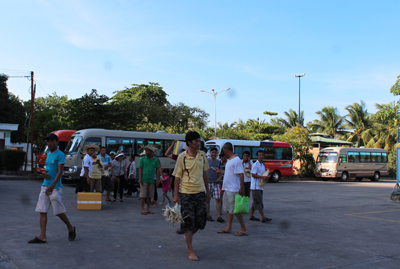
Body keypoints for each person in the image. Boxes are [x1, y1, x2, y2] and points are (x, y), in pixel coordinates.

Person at [28, 133, 76, 243]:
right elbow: (48, 169)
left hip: (55, 187)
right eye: (48, 141)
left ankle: (70, 227)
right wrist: (44, 174)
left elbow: (60, 172)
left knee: (58, 211)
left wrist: (52, 186)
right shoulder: (48, 154)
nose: (49, 143)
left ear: (57, 142)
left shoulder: (60, 154)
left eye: (51, 141)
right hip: (45, 185)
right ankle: (42, 236)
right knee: (42, 211)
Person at [173, 131, 210, 261]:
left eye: (199, 141)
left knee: (201, 221)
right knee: (189, 222)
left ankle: (187, 237)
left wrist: (208, 191)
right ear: (189, 142)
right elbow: (177, 177)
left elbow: (205, 174)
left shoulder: (203, 156)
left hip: (200, 192)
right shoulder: (182, 157)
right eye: (196, 141)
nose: (199, 143)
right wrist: (176, 195)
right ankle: (190, 249)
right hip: (186, 193)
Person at [216, 142, 248, 236]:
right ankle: (228, 227)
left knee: (235, 210)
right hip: (227, 188)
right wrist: (220, 171)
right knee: (229, 209)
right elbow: (229, 173)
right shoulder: (229, 160)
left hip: (233, 189)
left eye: (224, 151)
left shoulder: (236, 160)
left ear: (226, 150)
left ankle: (243, 228)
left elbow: (241, 174)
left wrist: (241, 188)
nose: (223, 153)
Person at [249, 150, 272, 223]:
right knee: (259, 202)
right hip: (255, 187)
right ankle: (263, 217)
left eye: (262, 155)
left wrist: (266, 177)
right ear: (257, 156)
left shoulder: (262, 165)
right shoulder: (255, 165)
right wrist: (262, 177)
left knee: (255, 202)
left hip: (260, 186)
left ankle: (251, 215)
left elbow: (262, 174)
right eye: (260, 155)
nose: (261, 156)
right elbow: (253, 174)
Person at [139, 145, 161, 215]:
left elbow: (157, 170)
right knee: (143, 196)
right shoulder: (142, 159)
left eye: (147, 151)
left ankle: (147, 208)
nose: (146, 152)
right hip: (144, 179)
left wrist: (157, 180)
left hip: (152, 180)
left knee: (149, 196)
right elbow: (140, 169)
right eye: (146, 151)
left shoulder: (156, 159)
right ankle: (142, 209)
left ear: (151, 152)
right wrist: (140, 179)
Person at [206, 147, 224, 223]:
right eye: (212, 152)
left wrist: (219, 178)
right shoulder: (207, 161)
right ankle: (208, 215)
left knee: (218, 199)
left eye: (215, 153)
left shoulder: (218, 162)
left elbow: (220, 172)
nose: (214, 154)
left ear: (217, 154)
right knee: (207, 200)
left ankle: (219, 216)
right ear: (210, 153)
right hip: (208, 182)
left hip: (216, 183)